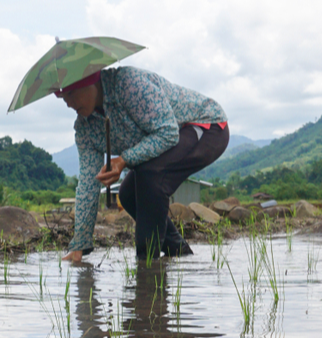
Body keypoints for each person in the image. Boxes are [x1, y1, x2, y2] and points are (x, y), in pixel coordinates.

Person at [58, 66, 229, 263]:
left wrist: (124, 160)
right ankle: (180, 254)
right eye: (64, 99)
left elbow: (168, 133)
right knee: (129, 194)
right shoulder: (86, 128)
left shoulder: (129, 85)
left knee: (150, 174)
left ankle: (146, 267)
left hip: (206, 126)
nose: (69, 104)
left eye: (71, 94)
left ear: (90, 81)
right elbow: (88, 183)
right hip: (171, 139)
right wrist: (79, 245)